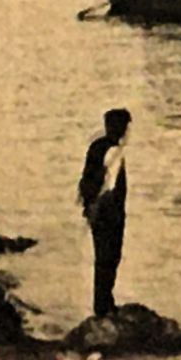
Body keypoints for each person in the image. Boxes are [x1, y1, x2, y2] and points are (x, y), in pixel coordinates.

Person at [77, 108, 131, 316]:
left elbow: (86, 180)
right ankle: (104, 304)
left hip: (96, 210)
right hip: (109, 211)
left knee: (102, 258)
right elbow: (110, 185)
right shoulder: (113, 151)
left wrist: (88, 205)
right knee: (110, 257)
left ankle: (102, 303)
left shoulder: (96, 147)